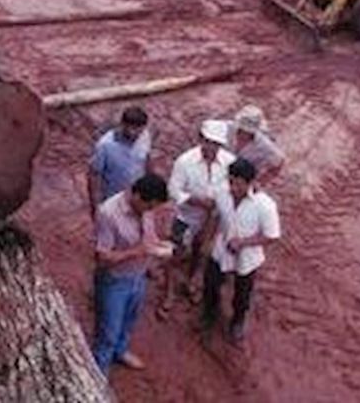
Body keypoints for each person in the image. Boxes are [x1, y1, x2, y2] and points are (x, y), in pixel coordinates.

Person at [93, 173, 172, 375]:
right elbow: (102, 258)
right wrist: (137, 251)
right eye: (149, 207)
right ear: (137, 197)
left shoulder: (146, 208)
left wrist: (157, 245)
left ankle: (120, 352)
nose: (150, 211)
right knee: (108, 332)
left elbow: (148, 235)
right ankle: (98, 375)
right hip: (114, 281)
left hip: (138, 276)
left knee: (128, 321)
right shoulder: (108, 213)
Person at [158, 120, 236, 319]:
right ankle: (169, 292)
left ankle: (192, 282)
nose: (211, 147)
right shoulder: (185, 161)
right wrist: (196, 201)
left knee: (202, 253)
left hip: (212, 220)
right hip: (186, 217)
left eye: (216, 143)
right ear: (201, 138)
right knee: (174, 253)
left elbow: (233, 188)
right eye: (208, 141)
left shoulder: (229, 162)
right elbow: (173, 191)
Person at [199, 158, 281, 345]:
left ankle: (237, 321)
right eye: (231, 181)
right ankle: (208, 315)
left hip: (247, 258)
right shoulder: (222, 192)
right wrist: (207, 240)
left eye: (238, 183)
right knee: (210, 284)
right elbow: (215, 215)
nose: (233, 187)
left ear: (250, 183)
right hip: (220, 249)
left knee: (242, 294)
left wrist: (243, 242)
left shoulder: (265, 206)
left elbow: (272, 236)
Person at [87, 106, 152, 216]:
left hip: (138, 198)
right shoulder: (105, 145)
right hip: (114, 202)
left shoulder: (145, 136)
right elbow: (93, 175)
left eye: (139, 130)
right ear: (122, 124)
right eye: (132, 129)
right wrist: (95, 206)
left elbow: (147, 159)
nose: (135, 134)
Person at [229, 105, 285, 185]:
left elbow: (279, 159)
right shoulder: (229, 129)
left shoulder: (263, 145)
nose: (244, 133)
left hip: (241, 179)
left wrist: (261, 181)